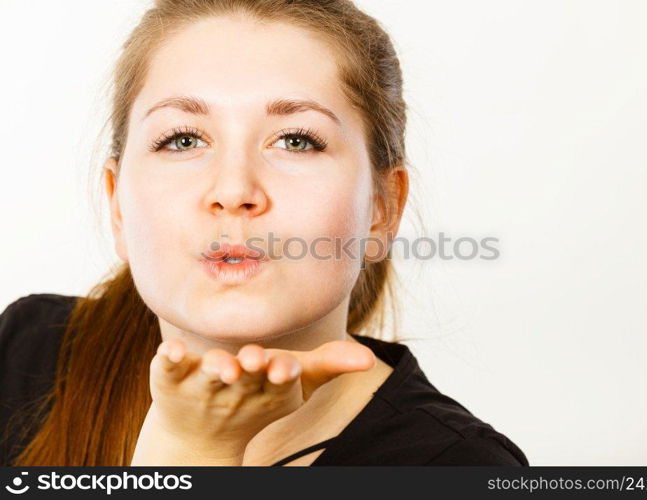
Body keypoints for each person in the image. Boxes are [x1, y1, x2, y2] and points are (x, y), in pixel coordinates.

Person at [0, 0, 528, 466]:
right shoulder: (26, 355)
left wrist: (194, 452)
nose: (233, 190)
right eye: (183, 140)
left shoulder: (459, 468)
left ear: (382, 209)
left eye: (296, 141)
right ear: (116, 203)